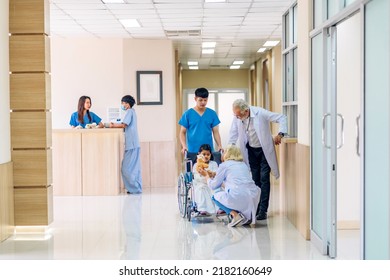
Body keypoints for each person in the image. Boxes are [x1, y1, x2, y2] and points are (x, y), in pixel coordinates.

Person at [228, 99, 287, 221]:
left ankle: (263, 210)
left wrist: (280, 134)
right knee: (255, 181)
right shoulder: (238, 117)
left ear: (246, 111)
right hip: (250, 150)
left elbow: (282, 117)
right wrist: (230, 147)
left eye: (239, 115)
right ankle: (256, 208)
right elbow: (233, 133)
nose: (237, 117)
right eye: (236, 115)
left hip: (264, 150)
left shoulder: (260, 113)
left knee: (264, 178)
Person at [200, 145, 261, 227]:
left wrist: (206, 176)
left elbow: (213, 186)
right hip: (253, 195)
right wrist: (214, 174)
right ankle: (245, 216)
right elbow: (233, 179)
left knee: (214, 197)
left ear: (227, 154)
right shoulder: (243, 165)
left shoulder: (224, 165)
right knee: (237, 194)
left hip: (238, 195)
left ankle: (235, 215)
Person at [110, 95, 142, 194]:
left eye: (123, 103)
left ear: (128, 104)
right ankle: (135, 189)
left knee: (126, 168)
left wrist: (113, 125)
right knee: (133, 168)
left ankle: (135, 189)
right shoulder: (132, 112)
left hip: (132, 144)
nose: (122, 105)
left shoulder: (129, 112)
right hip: (133, 143)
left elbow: (124, 124)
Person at [178, 87, 223, 157]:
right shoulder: (187, 114)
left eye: (205, 100)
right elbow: (182, 132)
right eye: (200, 100)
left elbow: (216, 132)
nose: (203, 102)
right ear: (195, 99)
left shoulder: (212, 113)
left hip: (208, 152)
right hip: (192, 151)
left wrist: (219, 145)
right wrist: (184, 146)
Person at [192, 144, 219, 216]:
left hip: (212, 183)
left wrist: (211, 175)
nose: (206, 156)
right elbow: (196, 177)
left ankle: (219, 208)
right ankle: (202, 208)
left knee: (217, 190)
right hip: (200, 183)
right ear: (199, 154)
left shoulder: (214, 164)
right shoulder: (196, 165)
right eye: (204, 154)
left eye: (208, 154)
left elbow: (216, 174)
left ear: (210, 155)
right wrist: (206, 177)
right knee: (201, 189)